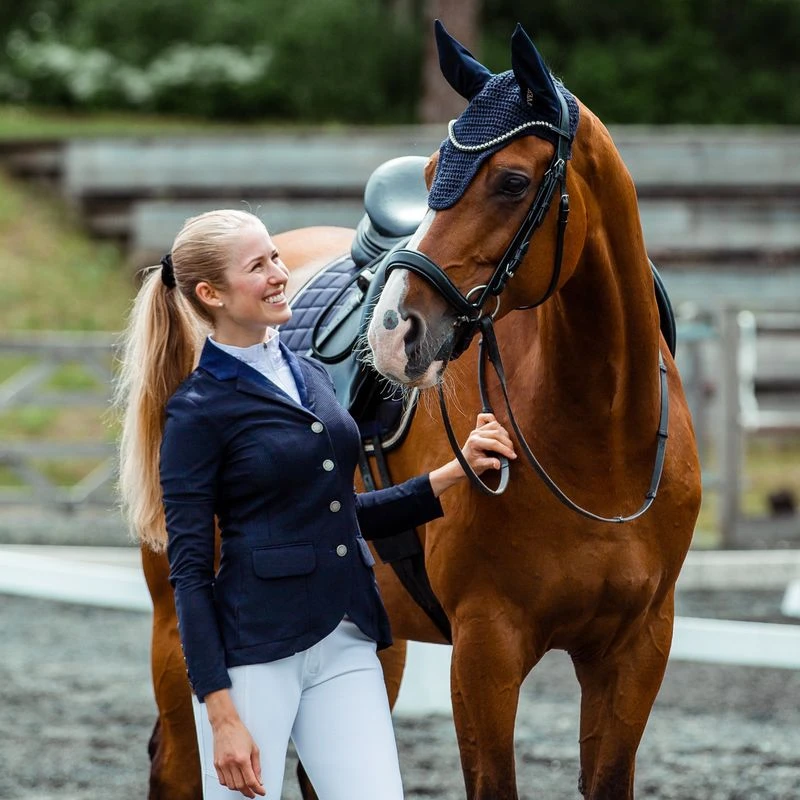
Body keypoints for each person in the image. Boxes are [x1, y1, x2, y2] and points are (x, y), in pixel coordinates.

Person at [115, 209, 517, 800]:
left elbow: (340, 516)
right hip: (255, 657)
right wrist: (222, 715)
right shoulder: (197, 411)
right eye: (258, 266)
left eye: (275, 258)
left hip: (348, 639)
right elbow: (191, 575)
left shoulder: (310, 374)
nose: (280, 274)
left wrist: (453, 474)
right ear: (211, 294)